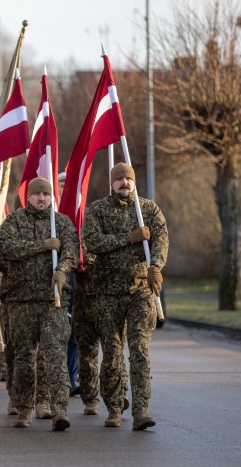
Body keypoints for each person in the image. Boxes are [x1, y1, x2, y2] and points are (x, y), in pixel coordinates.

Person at [82, 162, 168, 430]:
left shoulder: (148, 210)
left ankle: (141, 409)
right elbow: (92, 242)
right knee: (112, 353)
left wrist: (156, 266)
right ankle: (115, 407)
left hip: (141, 291)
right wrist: (130, 238)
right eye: (119, 179)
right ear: (112, 183)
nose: (124, 183)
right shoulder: (98, 210)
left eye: (128, 179)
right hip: (107, 293)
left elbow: (161, 239)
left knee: (140, 349)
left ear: (134, 182)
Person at [0, 177, 78, 431]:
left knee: (54, 356)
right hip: (21, 302)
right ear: (27, 197)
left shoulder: (60, 223)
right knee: (24, 359)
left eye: (46, 194)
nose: (41, 198)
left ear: (52, 197)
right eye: (37, 194)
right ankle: (24, 407)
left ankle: (58, 408)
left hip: (53, 301)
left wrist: (62, 270)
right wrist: (41, 246)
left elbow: (71, 250)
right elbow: (4, 249)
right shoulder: (15, 221)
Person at [72, 248, 129, 416]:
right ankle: (90, 399)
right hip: (84, 309)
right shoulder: (79, 241)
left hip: (110, 308)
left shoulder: (112, 238)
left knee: (114, 352)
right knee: (87, 356)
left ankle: (120, 393)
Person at [57, 171, 80, 397]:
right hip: (49, 284)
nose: (64, 189)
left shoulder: (79, 211)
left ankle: (71, 378)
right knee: (55, 335)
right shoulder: (50, 214)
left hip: (73, 281)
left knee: (73, 334)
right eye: (60, 185)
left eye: (66, 185)